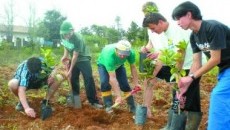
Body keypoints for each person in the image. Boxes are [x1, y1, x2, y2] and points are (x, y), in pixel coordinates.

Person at [143, 12, 207, 130]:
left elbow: (180, 55)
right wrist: (159, 54)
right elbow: (170, 51)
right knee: (182, 96)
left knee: (181, 97)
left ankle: (179, 127)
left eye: (153, 28)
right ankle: (175, 125)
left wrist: (177, 75)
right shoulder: (165, 32)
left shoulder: (176, 31)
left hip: (191, 66)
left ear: (160, 22)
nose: (152, 31)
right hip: (183, 67)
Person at [172, 1, 230, 130]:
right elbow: (196, 62)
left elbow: (215, 59)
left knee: (218, 96)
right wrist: (188, 83)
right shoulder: (194, 37)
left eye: (178, 19)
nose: (177, 23)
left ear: (188, 15)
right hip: (224, 70)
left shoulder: (213, 27)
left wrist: (191, 78)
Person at [60, 20, 102, 109]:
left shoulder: (78, 38)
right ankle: (76, 100)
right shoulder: (63, 35)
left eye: (68, 34)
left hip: (83, 58)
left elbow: (75, 56)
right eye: (64, 34)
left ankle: (93, 102)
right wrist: (65, 56)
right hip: (73, 58)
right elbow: (66, 45)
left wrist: (70, 70)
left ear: (72, 30)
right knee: (73, 79)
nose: (66, 36)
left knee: (88, 78)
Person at [97, 40, 139, 114]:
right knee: (105, 83)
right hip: (103, 64)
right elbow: (112, 78)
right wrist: (118, 96)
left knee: (124, 84)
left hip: (119, 65)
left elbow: (133, 67)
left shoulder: (131, 53)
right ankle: (108, 106)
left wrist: (136, 84)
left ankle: (132, 107)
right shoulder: (109, 55)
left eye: (125, 54)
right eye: (120, 53)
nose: (122, 56)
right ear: (116, 50)